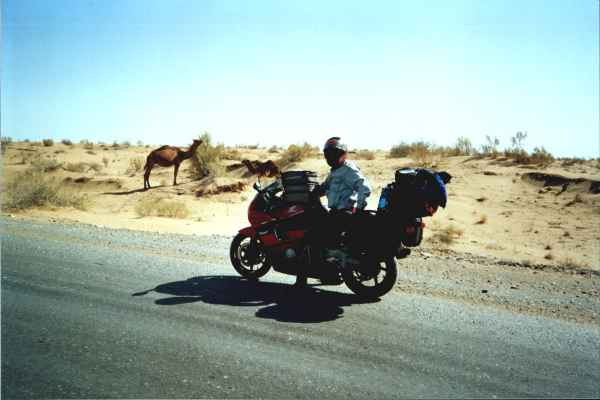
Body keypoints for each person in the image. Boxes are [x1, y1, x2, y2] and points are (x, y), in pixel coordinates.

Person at [294, 137, 372, 287]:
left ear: (343, 154)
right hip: (336, 212)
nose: (331, 157)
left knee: (309, 237)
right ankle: (329, 273)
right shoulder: (335, 171)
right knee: (323, 239)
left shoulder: (349, 170)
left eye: (334, 153)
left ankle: (303, 280)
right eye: (328, 153)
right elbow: (325, 187)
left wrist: (359, 208)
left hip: (343, 213)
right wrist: (310, 192)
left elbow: (364, 187)